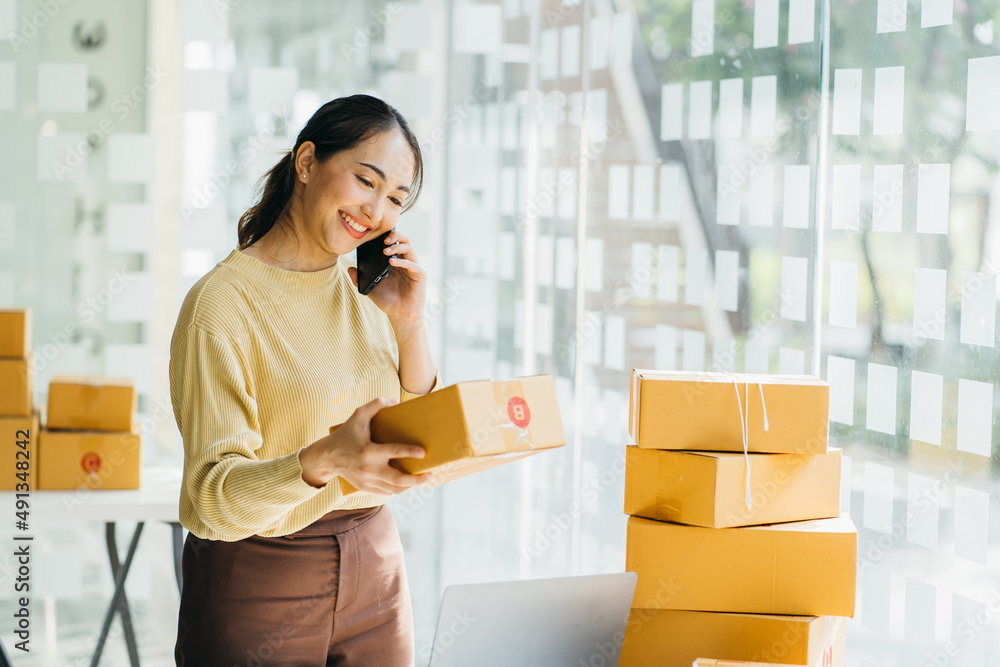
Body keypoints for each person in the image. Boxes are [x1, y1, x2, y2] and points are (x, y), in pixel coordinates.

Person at [169, 94, 441, 666]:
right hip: (260, 575)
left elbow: (417, 432)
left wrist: (410, 323)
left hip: (376, 563)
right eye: (366, 180)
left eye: (395, 198)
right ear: (308, 162)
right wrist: (322, 460)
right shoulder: (223, 303)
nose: (375, 210)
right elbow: (210, 498)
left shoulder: (372, 290)